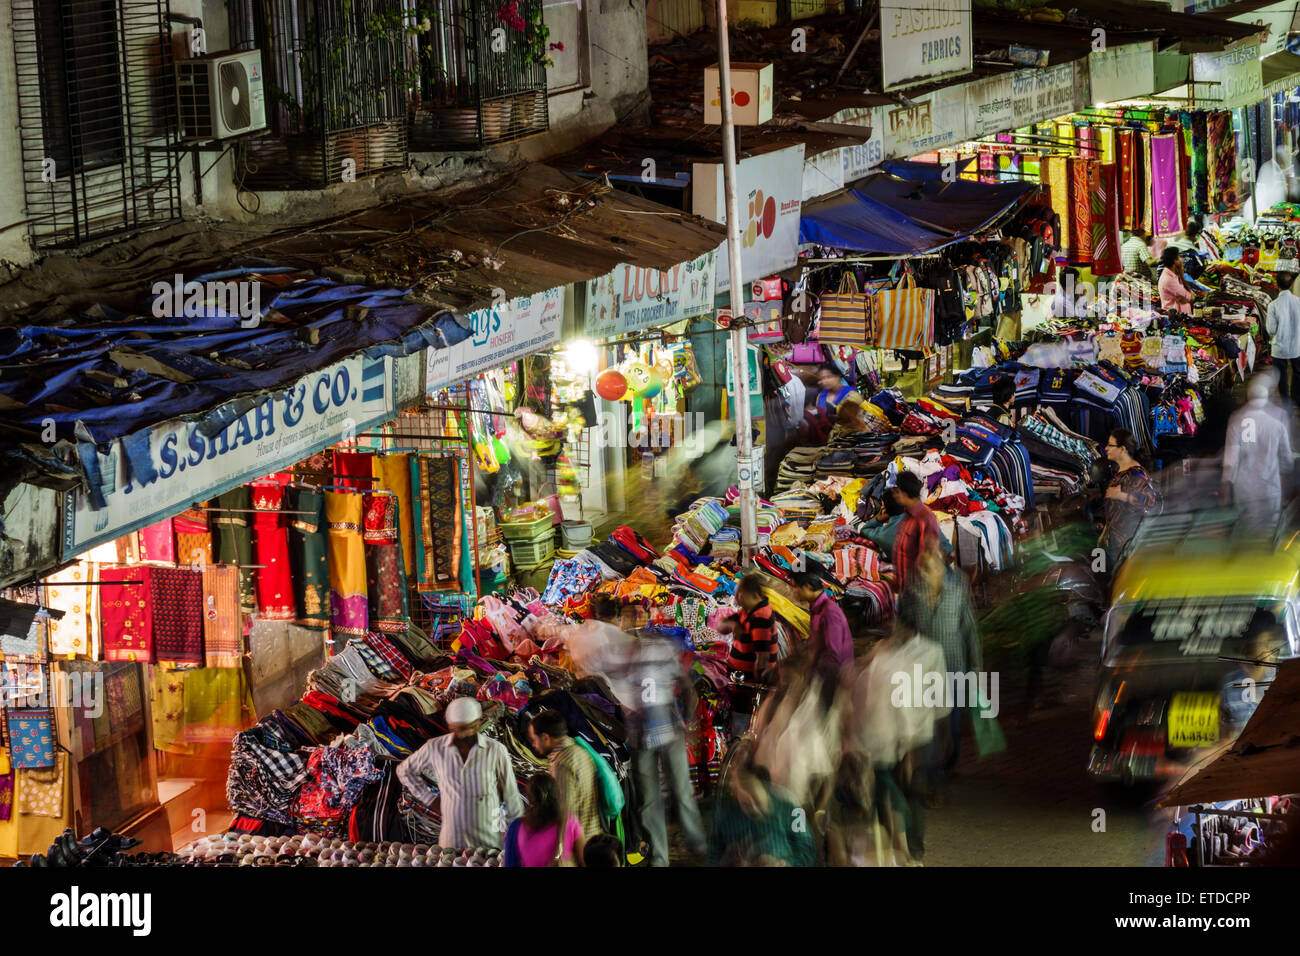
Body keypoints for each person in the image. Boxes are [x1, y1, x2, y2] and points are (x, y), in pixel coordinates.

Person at [896, 538, 982, 802]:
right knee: (931, 729)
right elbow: (901, 630)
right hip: (923, 672)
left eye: (931, 568)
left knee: (953, 728)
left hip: (954, 668)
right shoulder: (911, 596)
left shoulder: (957, 593)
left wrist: (976, 667)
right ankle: (933, 781)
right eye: (922, 569)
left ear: (941, 569)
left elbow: (969, 630)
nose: (926, 574)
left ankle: (946, 765)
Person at [618, 630, 708, 866]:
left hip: (661, 731)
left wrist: (688, 721)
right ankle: (670, 853)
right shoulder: (637, 655)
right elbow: (687, 686)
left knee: (668, 793)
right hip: (645, 735)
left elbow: (687, 686)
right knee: (659, 796)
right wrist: (688, 721)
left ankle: (692, 845)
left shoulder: (650, 652)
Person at [396, 696, 523, 849]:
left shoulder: (495, 750)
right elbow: (404, 770)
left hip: (489, 837)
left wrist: (516, 837)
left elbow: (511, 795)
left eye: (467, 728)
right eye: (457, 730)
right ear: (450, 726)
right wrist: (430, 800)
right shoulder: (435, 747)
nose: (462, 735)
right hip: (452, 838)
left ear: (478, 722)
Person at [1222, 374, 1294, 532]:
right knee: (1268, 534)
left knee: (1245, 532)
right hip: (1270, 487)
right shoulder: (1277, 425)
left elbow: (1230, 462)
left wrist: (1226, 493)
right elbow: (1286, 462)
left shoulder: (1236, 420)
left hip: (1244, 488)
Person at [708, 762, 816, 867]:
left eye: (758, 802)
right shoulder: (725, 815)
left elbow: (807, 847)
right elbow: (713, 853)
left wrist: (786, 864)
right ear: (737, 795)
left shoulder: (791, 807)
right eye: (746, 805)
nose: (755, 810)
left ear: (767, 788)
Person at [527, 710, 603, 840]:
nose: (533, 745)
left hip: (579, 842)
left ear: (545, 737)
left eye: (534, 739)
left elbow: (566, 811)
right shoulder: (578, 751)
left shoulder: (562, 763)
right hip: (591, 833)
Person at [723, 574, 776, 736]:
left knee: (742, 726)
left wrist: (755, 684)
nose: (737, 598)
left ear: (754, 596)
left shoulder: (761, 617)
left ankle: (740, 752)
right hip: (742, 682)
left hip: (749, 685)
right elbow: (723, 626)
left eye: (740, 594)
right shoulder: (748, 611)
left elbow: (762, 657)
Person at [1099, 428, 1160, 567]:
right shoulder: (1121, 472)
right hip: (1114, 541)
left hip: (1126, 546)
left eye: (1110, 445)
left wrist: (1122, 496)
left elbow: (1150, 502)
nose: (1106, 448)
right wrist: (1105, 532)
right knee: (1102, 574)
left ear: (1122, 449)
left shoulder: (1136, 475)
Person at [503, 773, 585, 867]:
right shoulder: (570, 822)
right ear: (556, 794)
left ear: (529, 797)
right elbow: (583, 860)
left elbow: (510, 863)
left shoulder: (516, 827)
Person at [791, 571, 853, 693]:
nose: (793, 591)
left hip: (831, 681)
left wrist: (817, 683)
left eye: (795, 587)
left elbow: (834, 654)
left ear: (808, 587)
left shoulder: (829, 612)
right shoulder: (817, 609)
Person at [1220, 628, 1280, 739]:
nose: (1249, 659)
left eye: (1256, 649)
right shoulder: (1230, 683)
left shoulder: (1285, 680)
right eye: (1245, 652)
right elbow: (1227, 729)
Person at [892, 471, 944, 595]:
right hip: (906, 592)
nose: (895, 495)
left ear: (903, 493)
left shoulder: (924, 518)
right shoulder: (908, 516)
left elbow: (929, 561)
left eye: (897, 491)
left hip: (919, 595)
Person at [1266, 261, 1300, 406]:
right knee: (1298, 374)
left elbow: (1271, 330)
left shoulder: (1273, 305)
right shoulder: (1299, 302)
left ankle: (1286, 402)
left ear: (1276, 285)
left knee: (1281, 375)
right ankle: (1296, 398)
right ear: (1292, 284)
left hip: (1279, 348)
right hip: (1296, 346)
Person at [1157, 247, 1199, 313]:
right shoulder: (1169, 280)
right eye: (1179, 257)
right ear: (1175, 261)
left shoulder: (1172, 274)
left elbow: (1189, 295)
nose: (1181, 259)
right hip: (1176, 317)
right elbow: (1190, 297)